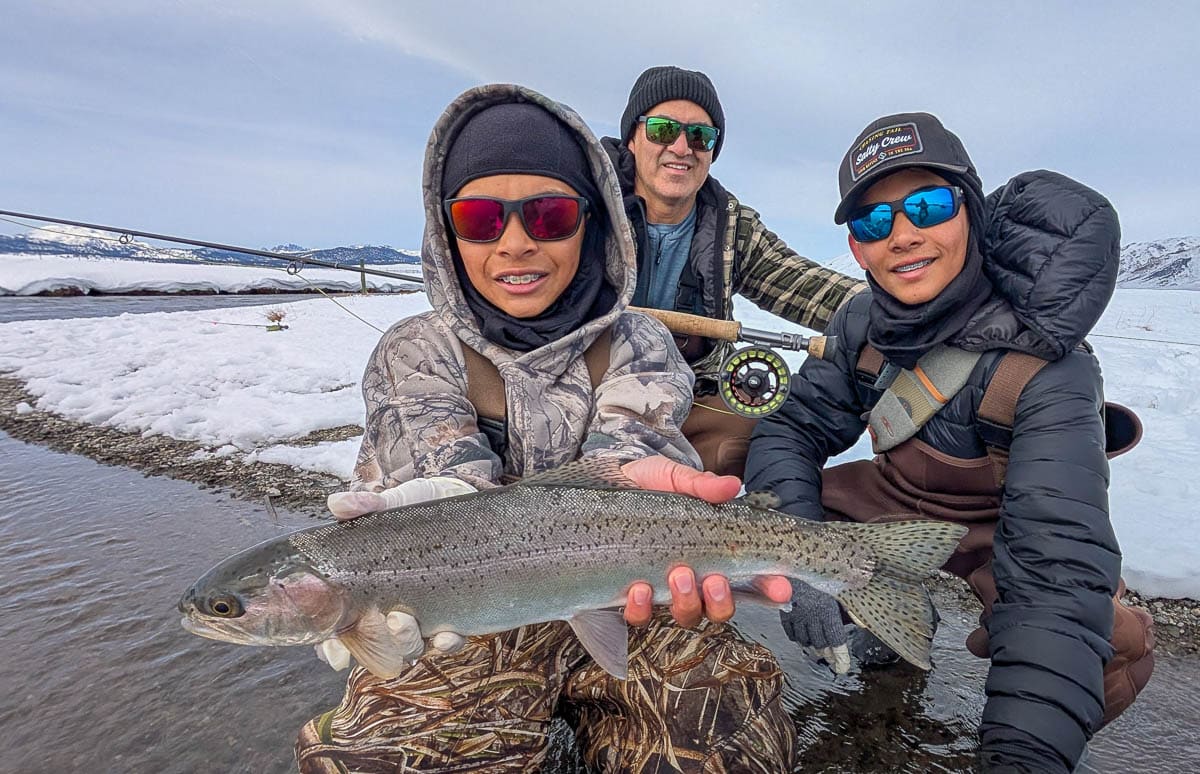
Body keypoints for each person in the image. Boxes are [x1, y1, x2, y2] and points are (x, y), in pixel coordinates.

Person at [294, 84, 796, 773]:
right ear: (447, 232)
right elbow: (445, 482)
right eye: (479, 219)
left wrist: (629, 479)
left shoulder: (640, 343)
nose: (517, 244)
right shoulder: (417, 351)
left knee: (724, 741)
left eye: (551, 215)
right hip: (464, 615)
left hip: (629, 597)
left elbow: (624, 463)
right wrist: (435, 501)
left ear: (590, 222)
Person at [744, 112, 1156, 772]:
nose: (902, 236)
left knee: (1107, 639)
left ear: (970, 212)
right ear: (857, 249)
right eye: (874, 222)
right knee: (793, 510)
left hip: (1006, 533)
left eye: (927, 206)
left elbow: (1054, 572)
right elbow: (790, 431)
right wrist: (804, 569)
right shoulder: (859, 321)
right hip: (892, 508)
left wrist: (1021, 754)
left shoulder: (1053, 367)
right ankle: (892, 638)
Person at [600, 65, 866, 479]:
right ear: (632, 138)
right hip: (583, 396)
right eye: (663, 130)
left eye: (701, 136)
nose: (682, 147)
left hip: (688, 402)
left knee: (765, 430)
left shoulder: (731, 226)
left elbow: (808, 287)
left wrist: (897, 309)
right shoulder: (581, 205)